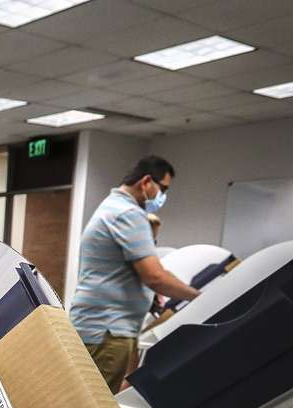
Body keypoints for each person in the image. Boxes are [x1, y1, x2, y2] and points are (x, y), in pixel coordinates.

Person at [69, 155, 198, 393]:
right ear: (147, 181)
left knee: (92, 400)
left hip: (99, 326)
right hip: (108, 330)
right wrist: (197, 296)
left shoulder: (111, 207)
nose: (163, 196)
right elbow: (155, 276)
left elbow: (137, 272)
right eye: (163, 189)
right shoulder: (128, 213)